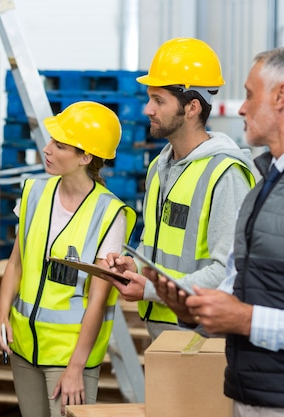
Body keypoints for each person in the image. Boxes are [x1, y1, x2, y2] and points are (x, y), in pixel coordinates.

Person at [150, 45, 284, 417]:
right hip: (250, 396)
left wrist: (246, 319)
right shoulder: (265, 184)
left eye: (250, 95)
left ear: (282, 96)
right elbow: (239, 291)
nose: (240, 108)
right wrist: (192, 309)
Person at [0, 101, 137, 417]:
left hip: (70, 358)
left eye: (59, 145)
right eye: (50, 141)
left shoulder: (110, 214)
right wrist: (1, 316)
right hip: (23, 347)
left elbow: (99, 299)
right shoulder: (33, 192)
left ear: (85, 157)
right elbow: (16, 262)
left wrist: (76, 368)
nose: (47, 149)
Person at [105, 37, 256, 340]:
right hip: (161, 328)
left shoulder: (225, 174)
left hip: (201, 335)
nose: (147, 109)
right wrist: (133, 261)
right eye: (149, 98)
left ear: (192, 108)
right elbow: (157, 244)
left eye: (159, 101)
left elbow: (227, 271)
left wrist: (150, 289)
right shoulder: (159, 169)